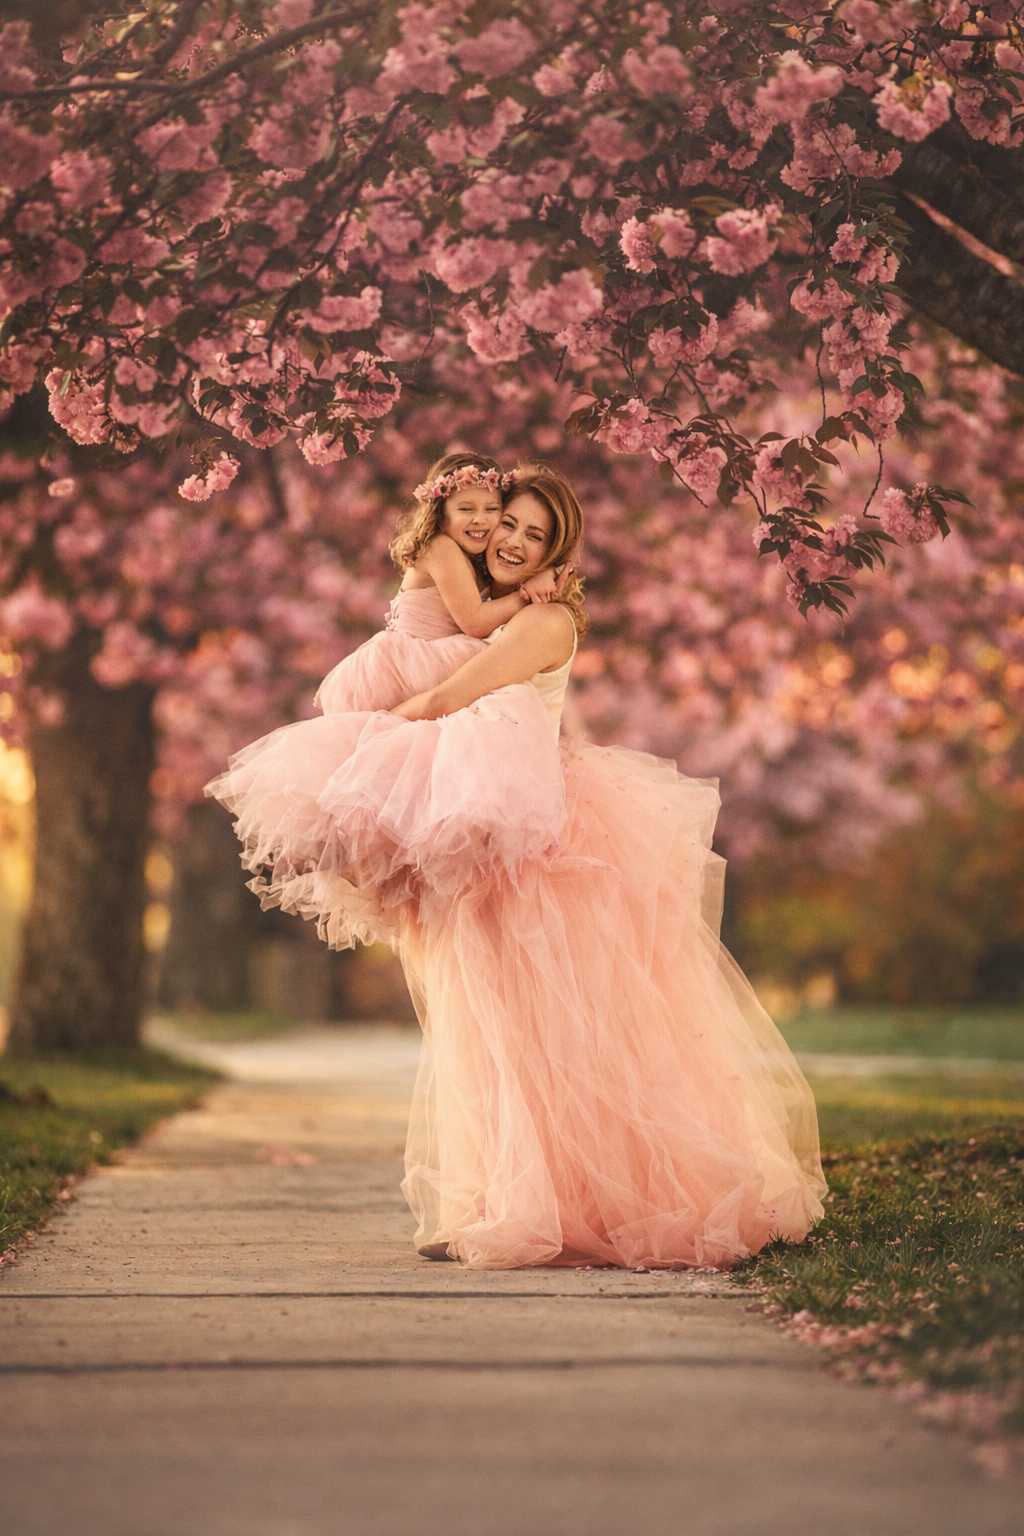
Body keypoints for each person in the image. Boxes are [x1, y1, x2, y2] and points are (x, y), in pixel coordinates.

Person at [208, 462, 826, 1271]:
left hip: (543, 850)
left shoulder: (544, 624)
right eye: (508, 523)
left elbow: (449, 698)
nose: (513, 540)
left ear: (553, 556)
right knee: (487, 1029)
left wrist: (365, 741)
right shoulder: (491, 605)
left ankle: (579, 1204)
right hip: (498, 834)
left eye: (535, 536)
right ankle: (504, 1200)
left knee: (540, 1033)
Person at [314, 450, 563, 718]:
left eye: (492, 509)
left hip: (425, 665)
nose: (480, 519)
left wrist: (548, 572)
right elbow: (475, 623)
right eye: (466, 509)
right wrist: (525, 595)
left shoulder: (475, 558)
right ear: (441, 515)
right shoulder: (441, 547)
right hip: (406, 668)